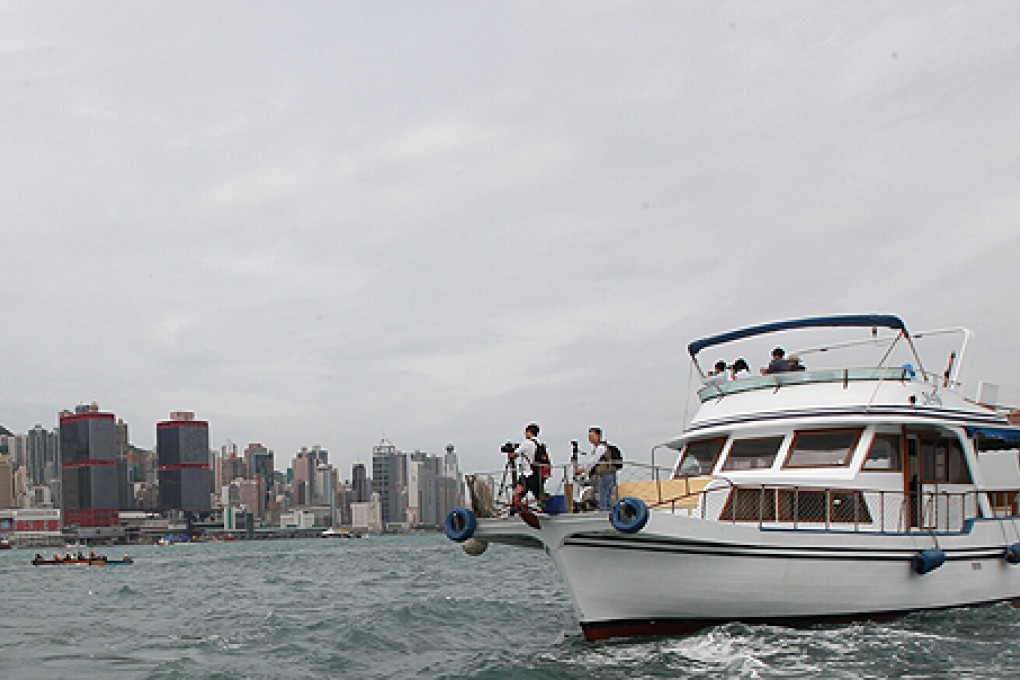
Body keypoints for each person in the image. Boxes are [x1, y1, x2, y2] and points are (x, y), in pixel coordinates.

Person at [511, 423, 548, 505]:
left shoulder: (527, 443)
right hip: (537, 474)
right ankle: (546, 509)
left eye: (526, 432)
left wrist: (510, 451)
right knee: (539, 496)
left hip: (527, 475)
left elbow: (514, 455)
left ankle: (514, 513)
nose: (525, 434)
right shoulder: (539, 443)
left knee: (516, 496)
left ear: (529, 432)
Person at [584, 427, 616, 512]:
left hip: (606, 474)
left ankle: (604, 512)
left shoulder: (601, 448)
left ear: (598, 436)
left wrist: (585, 470)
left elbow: (594, 460)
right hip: (608, 473)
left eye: (592, 436)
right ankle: (608, 511)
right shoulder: (600, 447)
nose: (590, 438)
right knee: (607, 494)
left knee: (604, 495)